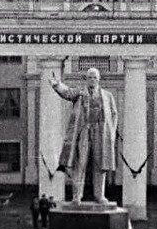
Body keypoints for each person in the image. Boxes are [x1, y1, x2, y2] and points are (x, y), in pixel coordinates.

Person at [50, 67, 119, 205]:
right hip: (84, 131)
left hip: (100, 132)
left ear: (99, 79)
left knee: (100, 165)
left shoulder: (107, 95)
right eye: (90, 77)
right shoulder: (80, 93)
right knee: (79, 164)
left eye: (95, 77)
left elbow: (114, 114)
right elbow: (67, 93)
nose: (92, 80)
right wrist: (57, 84)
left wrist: (111, 132)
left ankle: (100, 196)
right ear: (86, 79)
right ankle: (76, 196)